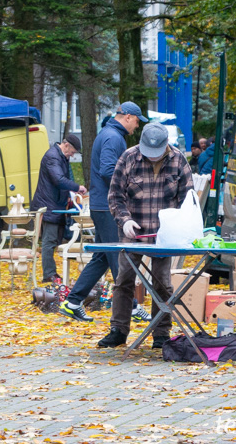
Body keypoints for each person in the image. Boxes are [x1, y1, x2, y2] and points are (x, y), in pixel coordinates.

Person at [97, 122, 194, 349]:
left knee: (162, 283)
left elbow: (188, 200)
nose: (151, 157)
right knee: (123, 281)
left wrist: (181, 226)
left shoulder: (179, 160)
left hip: (165, 236)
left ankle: (161, 334)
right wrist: (125, 219)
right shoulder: (128, 158)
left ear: (166, 145)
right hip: (133, 232)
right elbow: (115, 196)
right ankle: (118, 330)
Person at [59, 101, 150, 323]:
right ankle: (131, 306)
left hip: (101, 204)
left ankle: (72, 302)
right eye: (137, 122)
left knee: (101, 257)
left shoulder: (109, 134)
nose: (136, 127)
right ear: (127, 117)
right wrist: (130, 191)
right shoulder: (113, 137)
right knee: (118, 256)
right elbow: (108, 170)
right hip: (107, 206)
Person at [30, 133, 87, 284]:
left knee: (54, 240)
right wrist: (76, 187)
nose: (72, 155)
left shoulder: (61, 157)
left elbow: (63, 179)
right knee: (49, 241)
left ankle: (51, 273)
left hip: (55, 203)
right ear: (66, 145)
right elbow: (59, 179)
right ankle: (48, 274)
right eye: (72, 152)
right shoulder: (53, 157)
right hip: (48, 205)